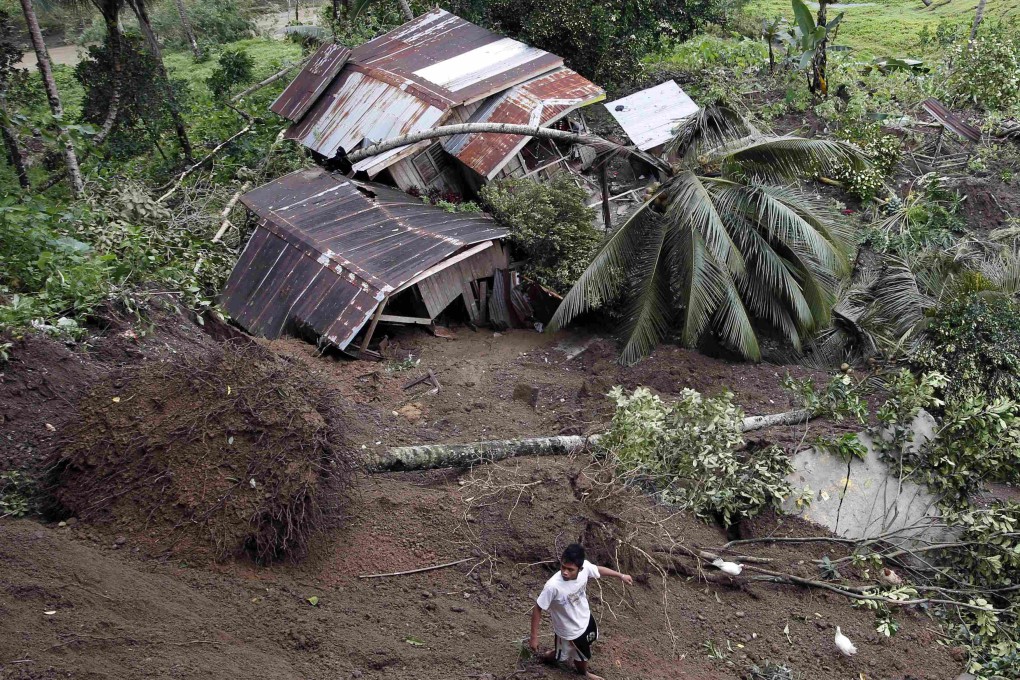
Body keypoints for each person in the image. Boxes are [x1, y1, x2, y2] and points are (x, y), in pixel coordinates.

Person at [529, 543, 632, 679]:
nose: (565, 572)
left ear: (580, 568)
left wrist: (621, 575)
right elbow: (538, 608)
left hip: (585, 619)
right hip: (568, 630)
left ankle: (583, 673)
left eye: (570, 569)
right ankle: (547, 658)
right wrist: (534, 637)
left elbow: (598, 570)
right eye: (563, 567)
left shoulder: (586, 568)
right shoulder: (552, 587)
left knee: (582, 652)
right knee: (562, 655)